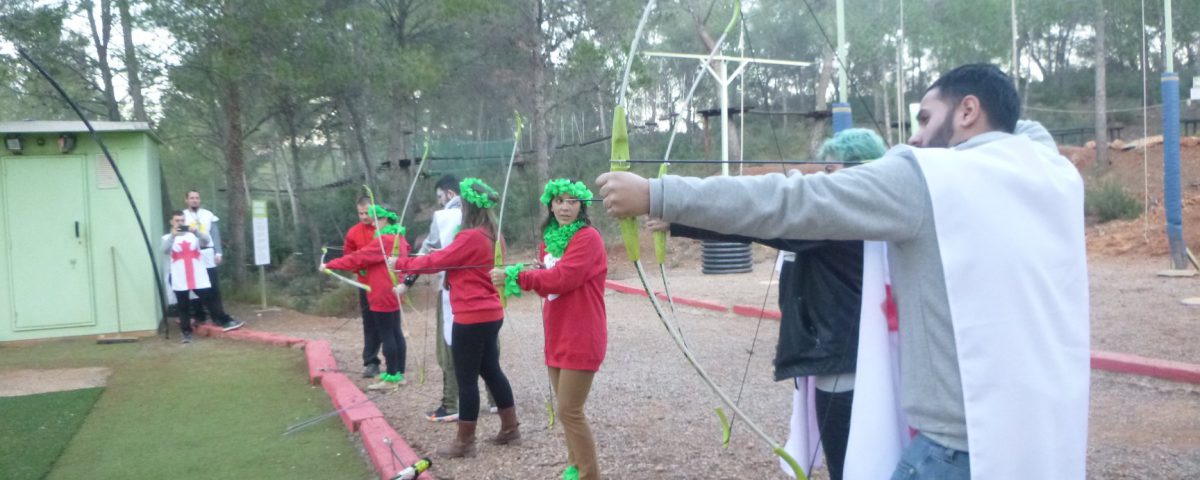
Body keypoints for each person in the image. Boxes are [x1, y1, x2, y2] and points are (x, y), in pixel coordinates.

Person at [596, 64, 1089, 480]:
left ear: (967, 111)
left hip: (954, 452)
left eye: (924, 117)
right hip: (1042, 438)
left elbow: (792, 201)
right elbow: (1029, 130)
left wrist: (660, 194)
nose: (915, 135)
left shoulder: (929, 178)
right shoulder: (1049, 170)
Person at [644, 128, 886, 480]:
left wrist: (681, 217)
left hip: (844, 365)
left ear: (857, 171)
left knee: (849, 466)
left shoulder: (839, 219)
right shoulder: (864, 211)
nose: (822, 177)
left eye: (831, 170)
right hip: (850, 357)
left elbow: (760, 221)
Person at [391, 177, 519, 458]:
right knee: (491, 370)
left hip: (471, 318)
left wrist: (400, 263)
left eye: (461, 204)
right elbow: (447, 257)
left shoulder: (470, 236)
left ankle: (465, 443)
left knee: (467, 379)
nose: (457, 208)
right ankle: (510, 429)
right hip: (490, 314)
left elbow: (438, 260)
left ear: (468, 206)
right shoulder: (492, 233)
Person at [490, 178, 607, 480]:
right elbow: (549, 288)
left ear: (582, 206)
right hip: (556, 333)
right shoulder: (549, 240)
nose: (565, 207)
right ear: (550, 204)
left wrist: (518, 276)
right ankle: (574, 467)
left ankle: (589, 475)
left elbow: (563, 279)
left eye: (572, 201)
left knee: (570, 410)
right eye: (559, 201)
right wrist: (536, 273)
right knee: (566, 409)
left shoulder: (588, 238)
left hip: (583, 334)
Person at [323, 204, 410, 391]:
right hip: (394, 289)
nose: (373, 222)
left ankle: (392, 377)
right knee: (395, 331)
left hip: (382, 291)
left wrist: (330, 264)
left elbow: (358, 257)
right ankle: (398, 373)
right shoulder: (398, 238)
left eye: (376, 218)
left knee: (388, 333)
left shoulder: (384, 240)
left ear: (385, 219)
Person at [182, 190, 243, 332]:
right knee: (196, 287)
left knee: (212, 286)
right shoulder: (182, 216)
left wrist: (218, 252)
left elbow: (214, 234)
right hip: (191, 255)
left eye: (197, 198)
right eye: (192, 198)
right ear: (186, 200)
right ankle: (201, 314)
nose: (195, 200)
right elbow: (177, 230)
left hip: (207, 253)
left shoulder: (208, 215)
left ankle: (218, 316)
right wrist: (190, 229)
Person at [345, 196, 388, 378]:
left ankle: (394, 361)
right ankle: (371, 361)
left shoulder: (384, 228)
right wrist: (358, 269)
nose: (363, 216)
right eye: (360, 213)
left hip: (385, 284)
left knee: (387, 322)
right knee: (369, 322)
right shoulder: (353, 232)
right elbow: (349, 256)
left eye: (367, 213)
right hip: (365, 285)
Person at [162, 211, 218, 343]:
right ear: (171, 222)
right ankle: (186, 332)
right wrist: (173, 236)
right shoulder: (167, 238)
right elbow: (164, 250)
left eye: (182, 220)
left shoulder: (193, 235)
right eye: (177, 220)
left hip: (197, 275)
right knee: (183, 306)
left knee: (208, 298)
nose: (180, 223)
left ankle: (217, 319)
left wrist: (196, 232)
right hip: (179, 276)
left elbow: (207, 240)